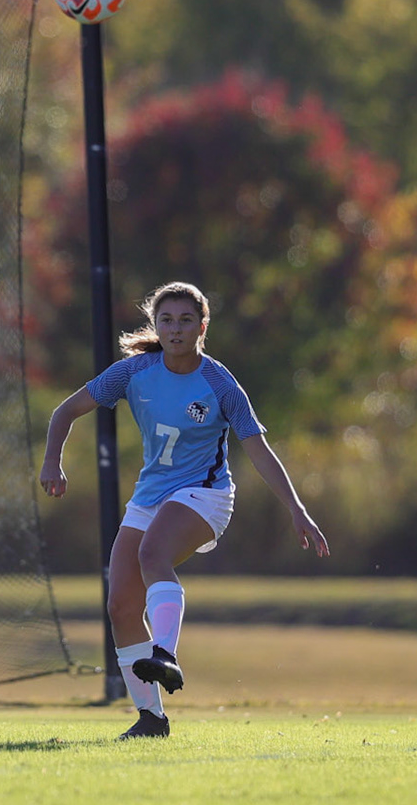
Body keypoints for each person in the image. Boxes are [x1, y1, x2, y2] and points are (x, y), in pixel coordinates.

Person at [40, 280, 328, 739]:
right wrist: (52, 460)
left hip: (206, 495)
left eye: (186, 320)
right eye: (167, 320)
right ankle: (151, 719)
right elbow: (64, 411)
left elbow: (258, 450)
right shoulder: (133, 373)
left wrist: (296, 507)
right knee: (120, 605)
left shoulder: (218, 382)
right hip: (151, 496)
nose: (175, 329)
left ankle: (165, 653)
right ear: (156, 324)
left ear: (202, 327)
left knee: (152, 554)